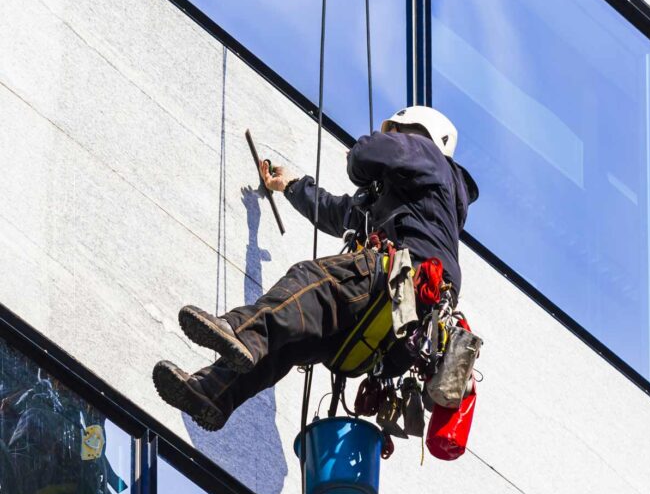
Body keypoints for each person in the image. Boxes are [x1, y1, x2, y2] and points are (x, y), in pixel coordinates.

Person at [152, 106, 478, 431]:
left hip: (401, 279)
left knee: (311, 280)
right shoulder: (412, 201)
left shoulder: (426, 153)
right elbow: (337, 213)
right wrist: (292, 184)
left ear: (408, 131)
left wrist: (373, 150)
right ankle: (213, 392)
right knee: (288, 341)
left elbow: (364, 157)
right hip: (395, 331)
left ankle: (239, 329)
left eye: (393, 132)